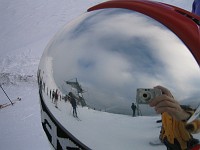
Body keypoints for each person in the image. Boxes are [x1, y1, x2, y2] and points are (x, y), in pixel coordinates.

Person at [149, 85, 199, 150]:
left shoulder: (182, 109)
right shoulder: (163, 114)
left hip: (184, 146)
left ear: (171, 99)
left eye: (165, 98)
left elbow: (197, 123)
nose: (163, 102)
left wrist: (184, 116)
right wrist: (162, 137)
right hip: (170, 145)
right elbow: (164, 127)